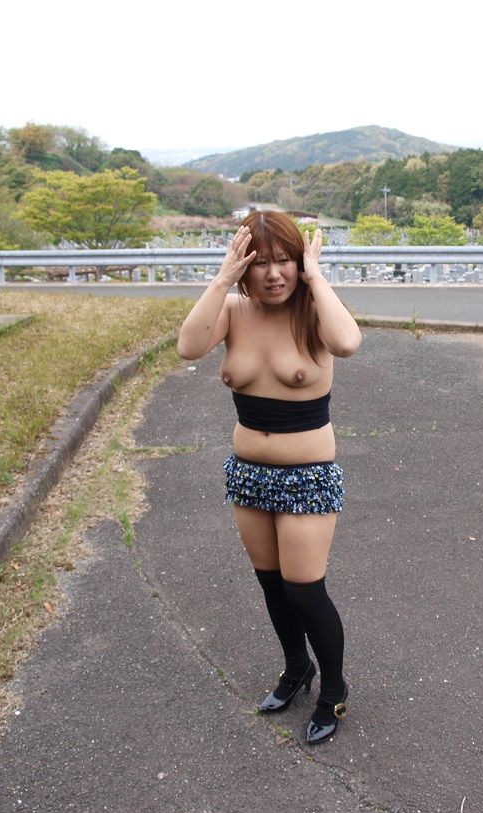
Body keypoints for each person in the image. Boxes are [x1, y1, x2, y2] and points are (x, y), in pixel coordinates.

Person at [177, 210, 362, 744]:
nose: (274, 274)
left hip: (307, 476)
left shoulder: (313, 311)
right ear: (245, 266)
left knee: (305, 590)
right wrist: (222, 278)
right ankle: (296, 667)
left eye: (285, 260)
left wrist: (316, 276)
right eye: (262, 263)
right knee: (272, 585)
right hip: (248, 476)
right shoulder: (234, 311)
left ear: (299, 262)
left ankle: (333, 690)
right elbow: (189, 346)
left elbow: (347, 343)